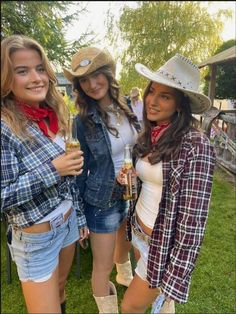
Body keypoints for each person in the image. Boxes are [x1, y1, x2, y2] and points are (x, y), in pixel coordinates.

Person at [117, 54, 216, 313]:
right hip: (140, 231)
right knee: (161, 306)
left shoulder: (196, 144)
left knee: (129, 307)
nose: (152, 100)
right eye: (152, 91)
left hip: (164, 244)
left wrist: (177, 274)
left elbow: (194, 219)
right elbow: (152, 182)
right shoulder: (152, 132)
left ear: (180, 104)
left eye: (165, 96)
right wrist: (129, 180)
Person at [1, 35, 88, 314]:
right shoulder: (4, 126)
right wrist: (53, 169)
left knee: (61, 289)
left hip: (68, 222)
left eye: (40, 68)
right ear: (5, 78)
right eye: (22, 71)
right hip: (36, 238)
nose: (37, 78)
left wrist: (80, 217)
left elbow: (70, 178)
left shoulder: (51, 114)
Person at [63, 46, 141, 313]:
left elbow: (134, 148)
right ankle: (107, 309)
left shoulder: (126, 106)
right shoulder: (81, 121)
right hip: (101, 200)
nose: (91, 84)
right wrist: (80, 215)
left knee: (125, 241)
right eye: (83, 80)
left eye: (96, 75)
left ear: (108, 75)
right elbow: (76, 172)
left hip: (131, 192)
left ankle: (125, 276)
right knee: (102, 266)